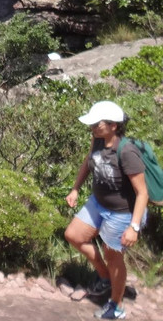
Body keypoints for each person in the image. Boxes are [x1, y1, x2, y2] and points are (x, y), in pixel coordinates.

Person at [64, 100, 149, 320]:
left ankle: (116, 306)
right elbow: (88, 161)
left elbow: (142, 194)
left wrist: (134, 227)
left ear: (113, 125)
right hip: (98, 203)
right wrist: (75, 188)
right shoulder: (98, 139)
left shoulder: (127, 151)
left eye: (97, 124)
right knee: (73, 235)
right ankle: (105, 277)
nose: (92, 127)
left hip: (123, 213)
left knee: (113, 257)